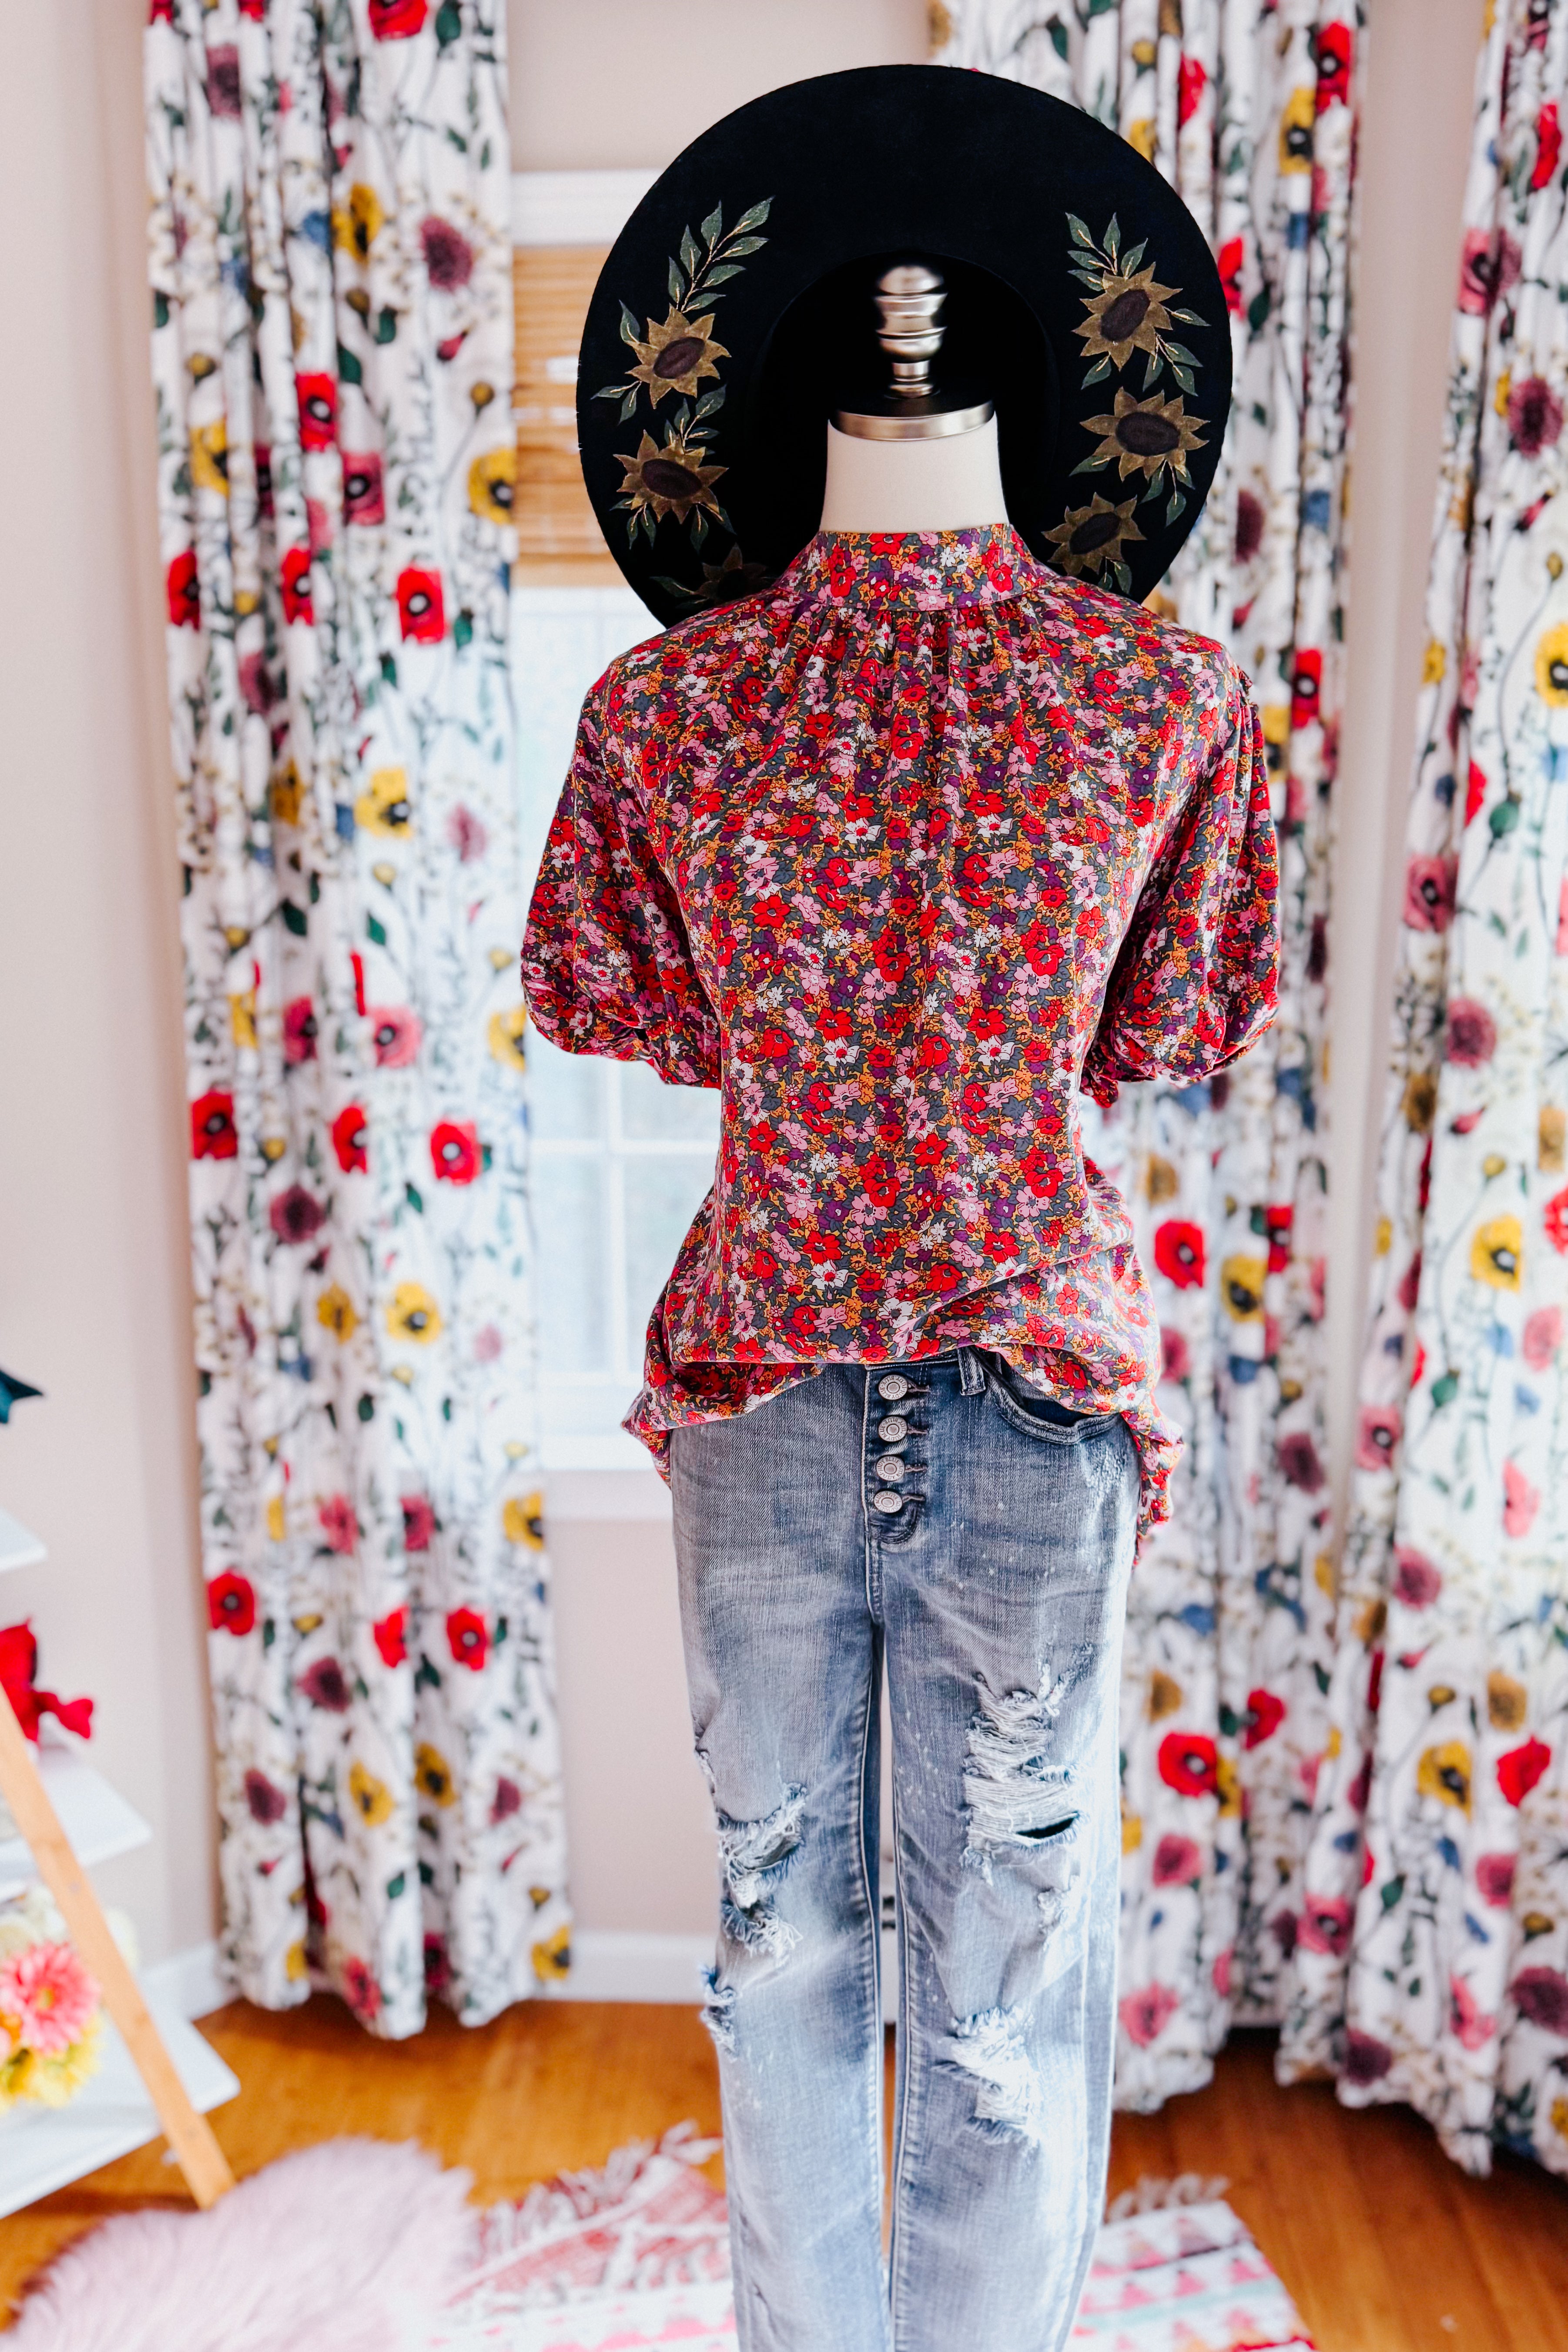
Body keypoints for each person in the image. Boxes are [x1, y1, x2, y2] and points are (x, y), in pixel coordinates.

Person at [523, 64, 1279, 2352]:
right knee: (810, 1962)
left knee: (968, 1979)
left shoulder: (1164, 699)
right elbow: (1151, 1026)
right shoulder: (663, 711)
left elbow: (1155, 1011)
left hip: (978, 1394)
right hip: (798, 1391)